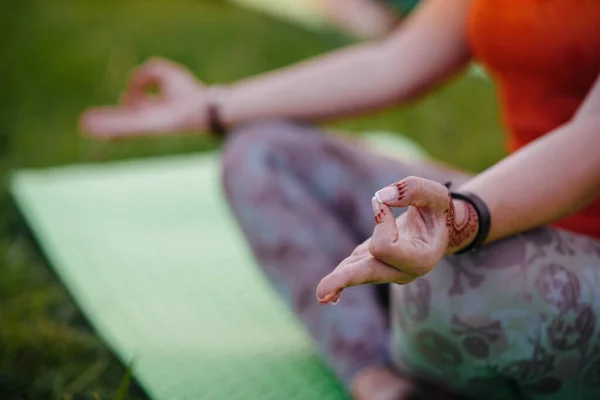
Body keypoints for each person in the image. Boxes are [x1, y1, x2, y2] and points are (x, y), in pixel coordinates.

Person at [80, 0, 600, 398]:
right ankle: (380, 381)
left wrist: (460, 217)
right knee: (260, 154)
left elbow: (591, 141)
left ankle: (413, 322)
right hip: (515, 213)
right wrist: (212, 107)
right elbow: (395, 62)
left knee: (443, 282)